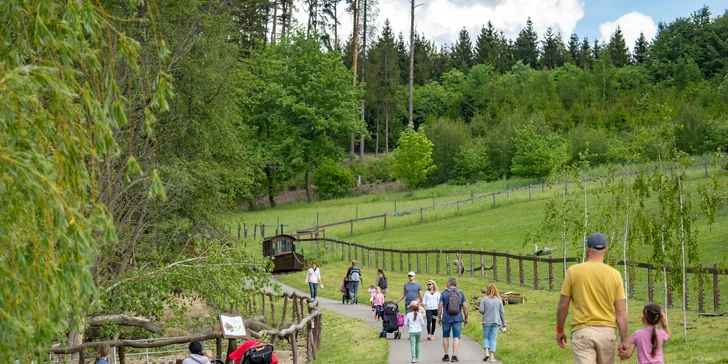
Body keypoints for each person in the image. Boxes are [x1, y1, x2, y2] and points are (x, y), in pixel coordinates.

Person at [556, 232, 629, 364]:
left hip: (583, 332)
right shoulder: (615, 275)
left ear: (587, 248)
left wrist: (560, 330)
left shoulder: (573, 271)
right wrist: (624, 340)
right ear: (606, 249)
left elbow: (563, 306)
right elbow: (621, 312)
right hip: (607, 333)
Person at [438, 277, 468, 362]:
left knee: (445, 336)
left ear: (449, 283)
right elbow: (465, 307)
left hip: (446, 318)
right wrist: (466, 318)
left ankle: (446, 355)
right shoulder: (460, 293)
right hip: (458, 318)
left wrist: (439, 317)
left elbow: (440, 306)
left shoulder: (444, 293)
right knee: (456, 337)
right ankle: (454, 356)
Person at [479, 284, 506, 362]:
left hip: (486, 321)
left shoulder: (484, 298)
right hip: (496, 321)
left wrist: (485, 312)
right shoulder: (498, 299)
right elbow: (502, 312)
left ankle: (486, 352)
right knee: (493, 338)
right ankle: (492, 356)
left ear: (488, 290)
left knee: (486, 337)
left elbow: (481, 310)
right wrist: (504, 323)